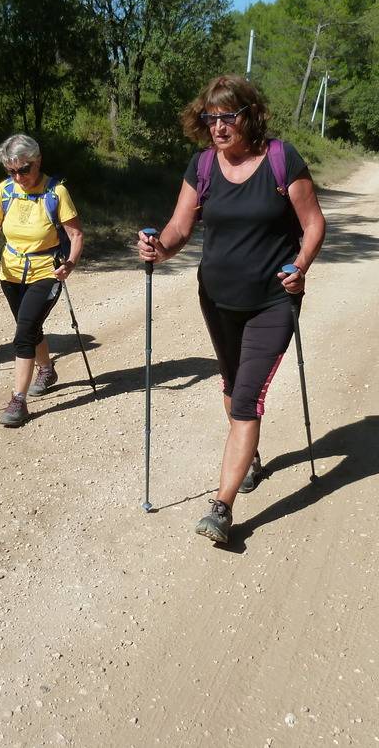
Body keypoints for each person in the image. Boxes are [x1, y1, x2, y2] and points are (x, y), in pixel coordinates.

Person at [137, 75, 326, 543]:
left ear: (250, 115)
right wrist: (159, 248)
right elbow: (180, 227)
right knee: (230, 380)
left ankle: (221, 508)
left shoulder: (281, 160)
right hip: (216, 298)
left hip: (272, 300)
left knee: (246, 399)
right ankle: (250, 457)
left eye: (228, 116)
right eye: (210, 117)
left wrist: (300, 265)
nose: (218, 126)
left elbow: (314, 222)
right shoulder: (202, 165)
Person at [0, 134, 84, 427]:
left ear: (37, 161)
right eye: (11, 171)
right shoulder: (5, 190)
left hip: (46, 271)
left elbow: (76, 235)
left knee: (24, 332)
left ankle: (18, 400)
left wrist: (70, 263)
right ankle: (47, 370)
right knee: (30, 325)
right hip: (11, 272)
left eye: (24, 169)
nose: (18, 176)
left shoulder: (57, 192)